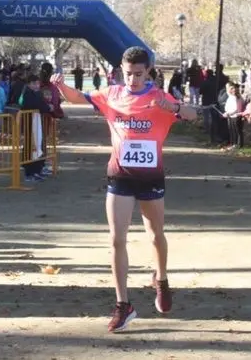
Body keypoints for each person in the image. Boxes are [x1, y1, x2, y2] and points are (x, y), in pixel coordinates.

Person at [50, 46, 198, 333]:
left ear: (148, 71)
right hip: (120, 176)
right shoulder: (113, 94)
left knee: (155, 235)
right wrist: (61, 86)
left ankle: (162, 280)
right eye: (128, 74)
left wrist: (175, 108)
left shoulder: (160, 98)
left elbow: (193, 115)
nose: (133, 80)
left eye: (139, 74)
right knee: (117, 239)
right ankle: (123, 305)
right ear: (121, 70)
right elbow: (80, 98)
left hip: (151, 177)